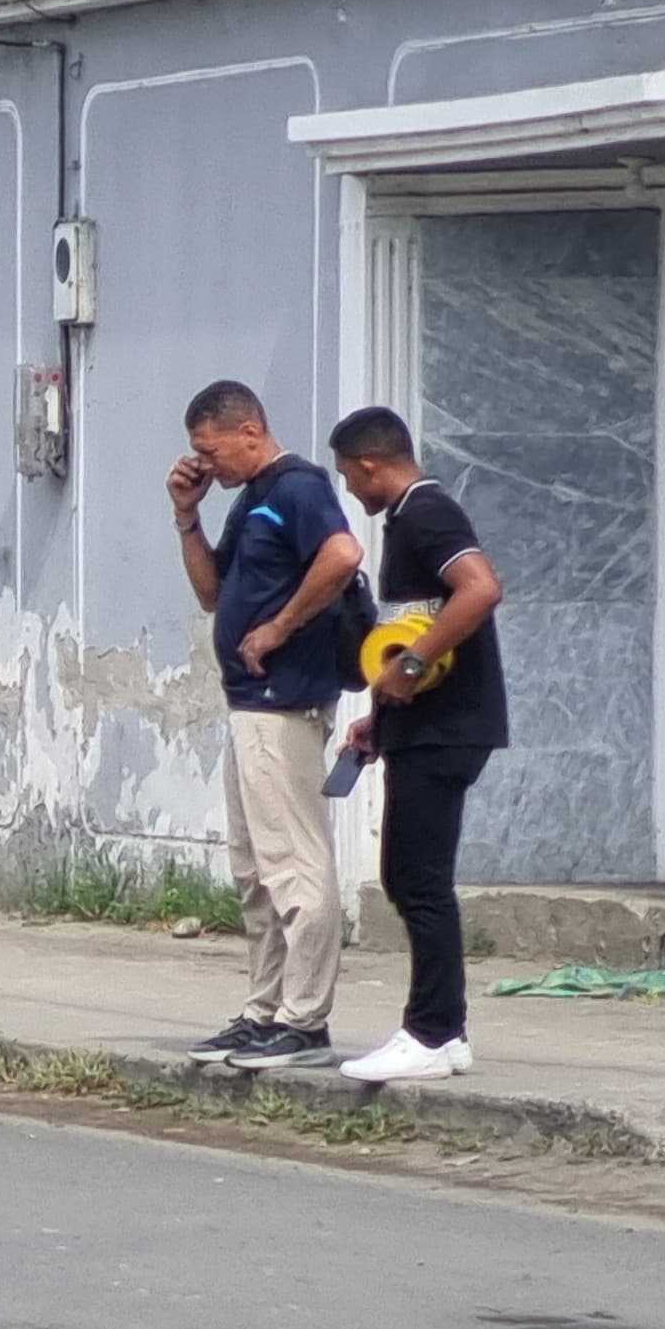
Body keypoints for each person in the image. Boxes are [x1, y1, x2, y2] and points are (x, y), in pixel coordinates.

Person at [168, 379, 362, 1069]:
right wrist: (187, 516)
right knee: (254, 869)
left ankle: (305, 1021)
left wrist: (279, 627)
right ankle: (264, 1009)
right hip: (247, 704)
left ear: (249, 430)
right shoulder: (250, 502)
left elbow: (343, 556)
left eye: (209, 449)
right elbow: (212, 592)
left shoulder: (295, 487)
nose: (205, 464)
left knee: (293, 863)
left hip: (284, 701)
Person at [325, 407, 510, 1085]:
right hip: (424, 726)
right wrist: (382, 713)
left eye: (350, 477)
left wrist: (407, 670)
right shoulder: (408, 519)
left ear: (371, 465)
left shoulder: (427, 513)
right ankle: (446, 1034)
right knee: (413, 877)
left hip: (447, 729)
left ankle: (431, 1032)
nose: (351, 491)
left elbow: (481, 589)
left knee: (417, 880)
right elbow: (413, 627)